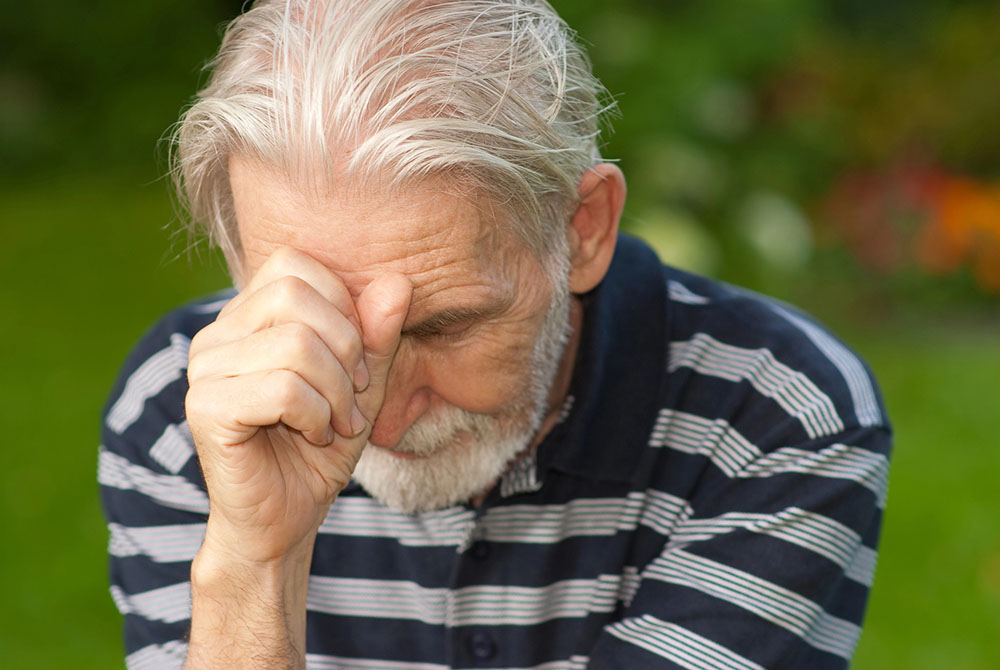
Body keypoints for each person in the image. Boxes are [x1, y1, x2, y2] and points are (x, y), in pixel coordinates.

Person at [99, 1, 892, 668]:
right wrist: (254, 563)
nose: (376, 412)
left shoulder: (781, 414)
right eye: (324, 325)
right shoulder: (188, 406)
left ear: (582, 229)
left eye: (443, 327)